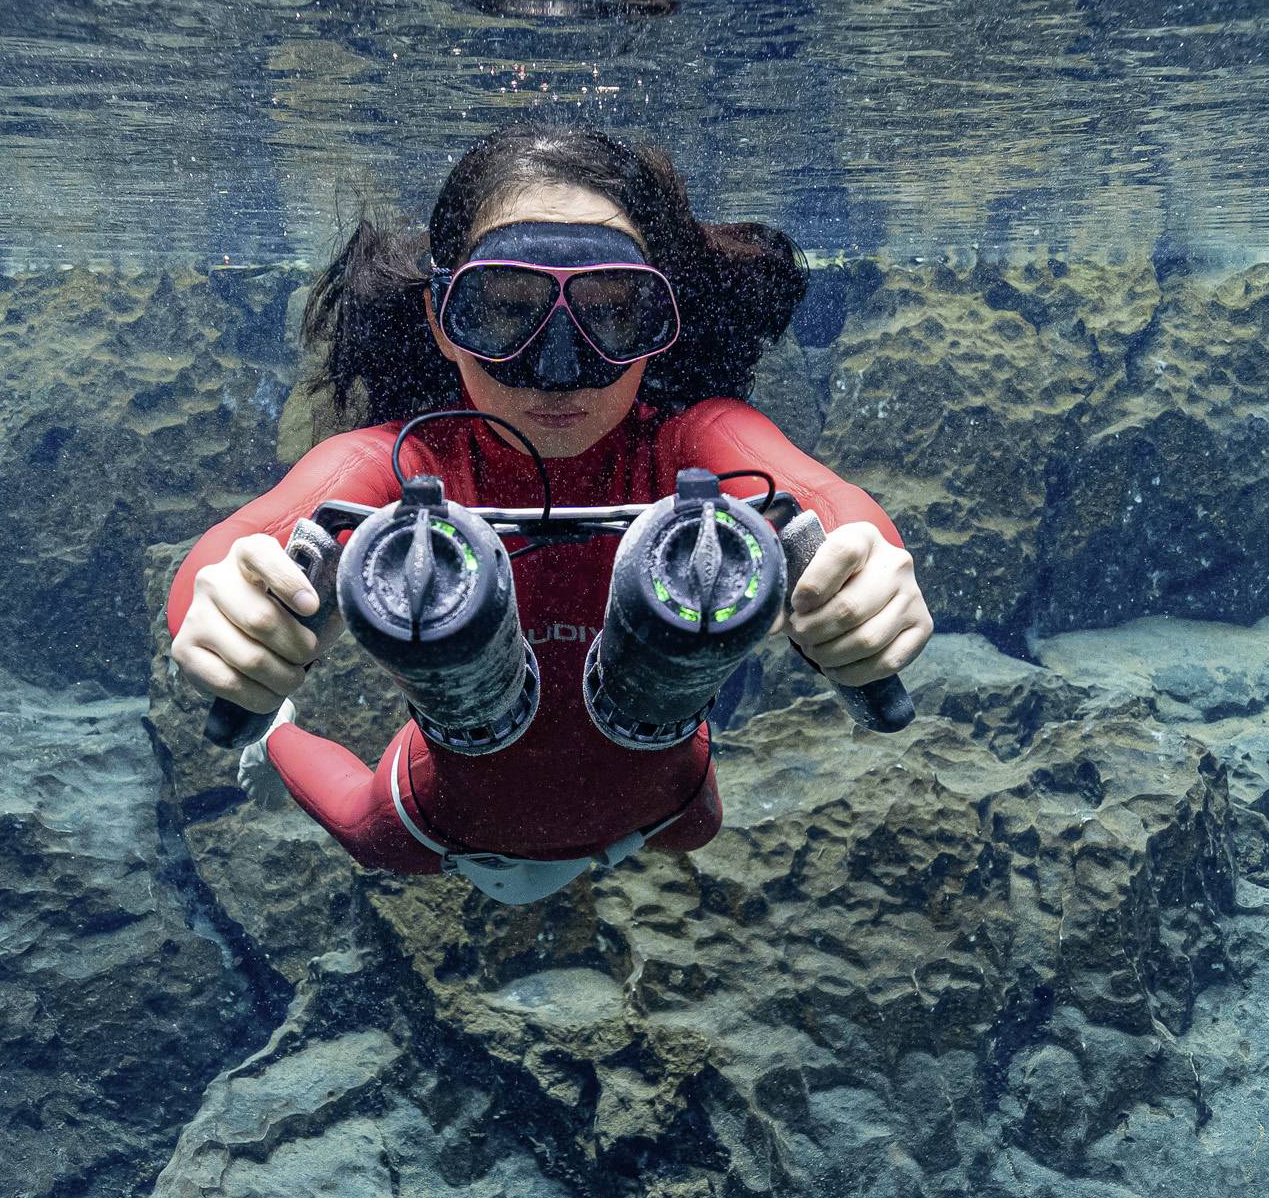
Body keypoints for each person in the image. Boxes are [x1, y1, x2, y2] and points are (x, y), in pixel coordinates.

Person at [166, 124, 931, 897]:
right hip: (666, 809)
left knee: (375, 835)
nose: (560, 372)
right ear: (441, 320)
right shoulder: (403, 463)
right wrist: (234, 602)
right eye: (504, 310)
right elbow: (239, 548)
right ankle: (275, 737)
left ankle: (290, 733)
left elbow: (831, 512)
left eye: (612, 312)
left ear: (658, 329)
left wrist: (852, 576)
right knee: (372, 830)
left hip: (473, 819)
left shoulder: (694, 439)